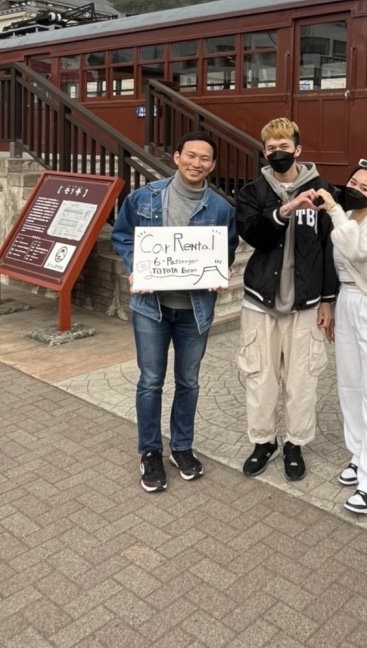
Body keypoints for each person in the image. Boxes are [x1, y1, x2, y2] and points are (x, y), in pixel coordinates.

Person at [111, 131, 238, 493]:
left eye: (205, 159)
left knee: (189, 381)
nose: (196, 164)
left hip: (195, 309)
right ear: (177, 156)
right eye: (191, 156)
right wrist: (136, 265)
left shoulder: (221, 208)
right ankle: (150, 451)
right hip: (151, 307)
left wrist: (219, 271)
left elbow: (225, 251)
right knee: (150, 381)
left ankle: (181, 447)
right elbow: (122, 236)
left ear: (212, 165)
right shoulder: (146, 196)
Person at [235, 118, 338, 482]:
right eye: (271, 148)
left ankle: (295, 443)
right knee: (260, 377)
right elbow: (253, 235)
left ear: (298, 149)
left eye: (284, 147)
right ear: (265, 152)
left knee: (302, 379)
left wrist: (329, 300)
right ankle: (263, 442)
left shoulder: (323, 190)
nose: (278, 153)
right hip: (260, 300)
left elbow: (329, 247)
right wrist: (284, 210)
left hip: (306, 302)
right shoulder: (252, 192)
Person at [314, 158, 367, 515]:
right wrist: (329, 303)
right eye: (353, 182)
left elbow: (357, 250)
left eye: (365, 188)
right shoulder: (344, 219)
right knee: (349, 385)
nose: (355, 189)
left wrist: (333, 210)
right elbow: (335, 266)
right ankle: (359, 455)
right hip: (347, 301)